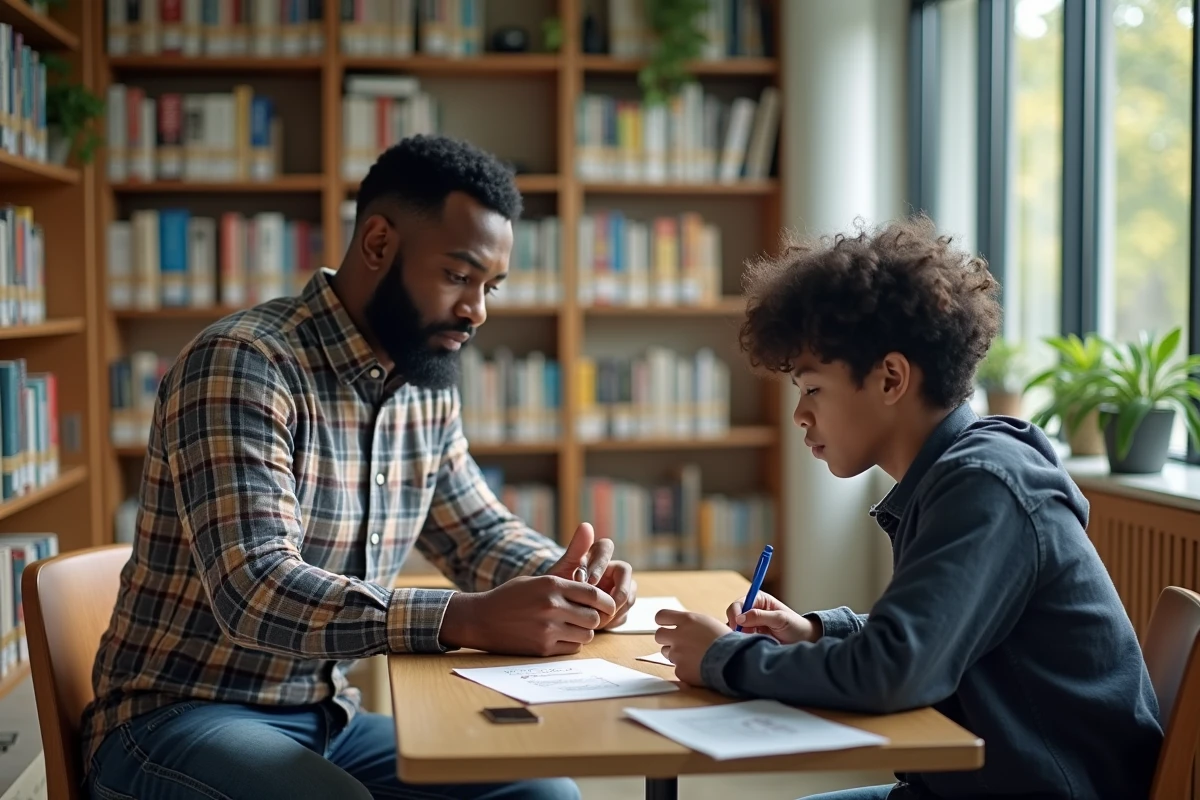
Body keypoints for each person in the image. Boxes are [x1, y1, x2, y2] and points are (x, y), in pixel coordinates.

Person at [81, 134, 636, 800]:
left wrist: (570, 585)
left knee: (543, 794)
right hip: (175, 718)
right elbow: (254, 590)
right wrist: (465, 619)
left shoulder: (424, 385)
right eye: (459, 276)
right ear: (378, 244)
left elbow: (478, 535)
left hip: (324, 715)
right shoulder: (244, 363)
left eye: (490, 286)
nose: (477, 310)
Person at [653, 216, 1164, 800]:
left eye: (812, 387)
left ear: (891, 378)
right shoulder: (959, 475)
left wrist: (725, 658)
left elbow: (896, 671)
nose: (800, 414)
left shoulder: (986, 485)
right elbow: (940, 633)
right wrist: (816, 632)